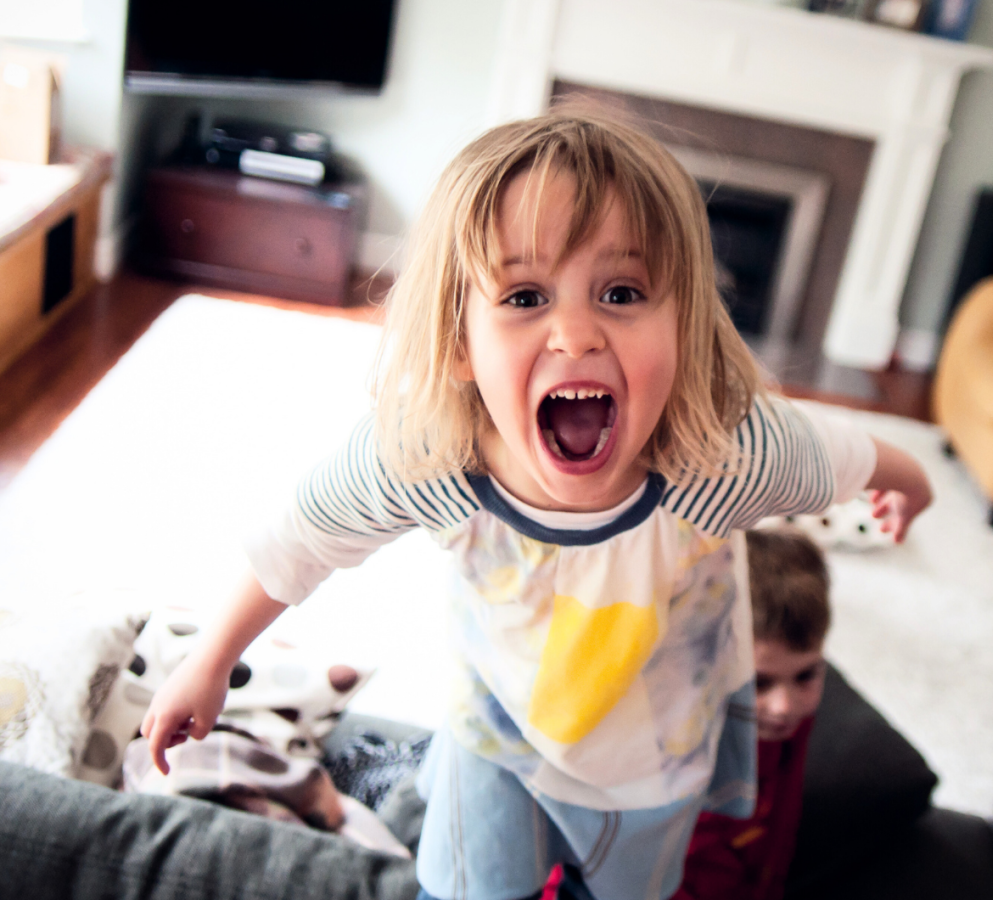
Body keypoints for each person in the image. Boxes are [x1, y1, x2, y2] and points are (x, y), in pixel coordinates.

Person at [140, 106, 932, 900]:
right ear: (458, 340)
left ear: (685, 326)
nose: (576, 334)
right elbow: (297, 542)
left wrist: (911, 483)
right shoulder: (425, 456)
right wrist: (210, 661)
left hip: (656, 765)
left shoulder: (726, 456)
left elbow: (848, 455)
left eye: (621, 292)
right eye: (524, 296)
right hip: (496, 738)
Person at [672, 528, 833, 900]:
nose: (784, 707)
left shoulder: (789, 721)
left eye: (806, 676)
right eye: (759, 683)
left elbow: (783, 820)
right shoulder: (674, 743)